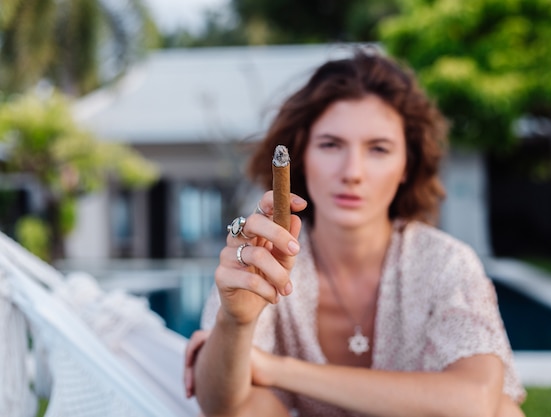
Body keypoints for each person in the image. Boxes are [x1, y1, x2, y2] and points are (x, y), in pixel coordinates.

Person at [184, 48, 527, 417]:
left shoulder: (444, 263)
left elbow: (473, 403)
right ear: (303, 156)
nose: (352, 172)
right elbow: (222, 408)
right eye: (331, 145)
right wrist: (234, 322)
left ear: (406, 166)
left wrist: (276, 369)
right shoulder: (264, 258)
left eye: (378, 149)